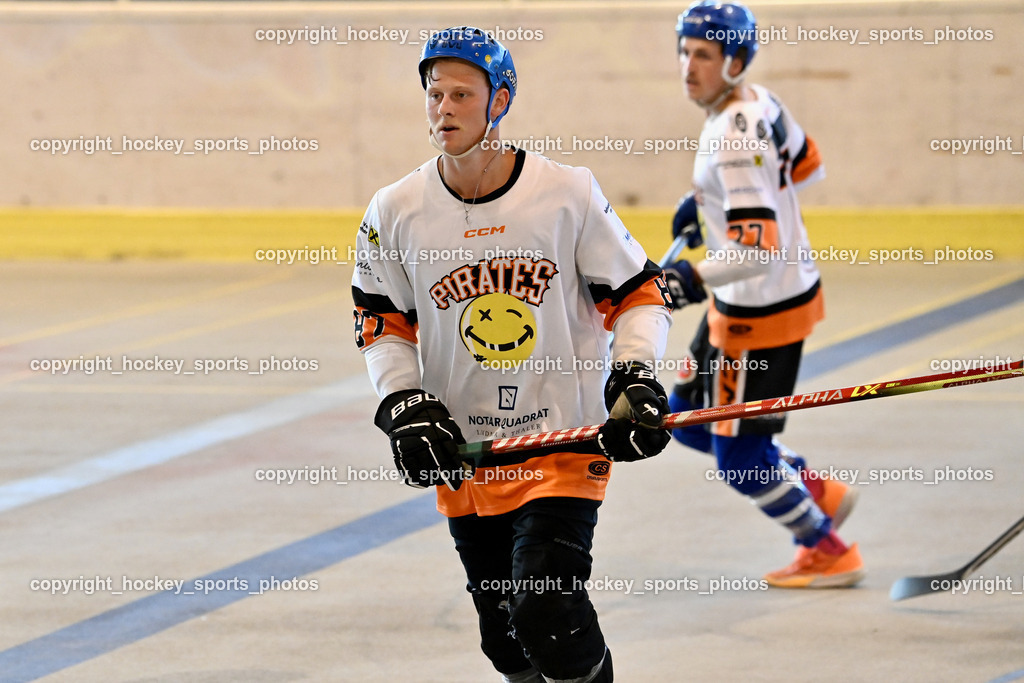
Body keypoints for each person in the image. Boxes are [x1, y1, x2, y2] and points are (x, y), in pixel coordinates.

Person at [352, 26, 674, 682]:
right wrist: (402, 401)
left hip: (560, 441)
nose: (442, 108)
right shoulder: (395, 209)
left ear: (499, 101)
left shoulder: (567, 193)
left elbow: (640, 292)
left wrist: (635, 371)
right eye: (434, 93)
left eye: (461, 94)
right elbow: (379, 320)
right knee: (506, 641)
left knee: (547, 612)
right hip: (467, 454)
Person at [662, 1, 865, 588]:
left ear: (735, 60)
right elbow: (807, 166)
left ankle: (828, 549)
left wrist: (692, 277)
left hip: (757, 316)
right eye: (683, 51)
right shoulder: (758, 101)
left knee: (742, 461)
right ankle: (818, 491)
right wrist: (712, 204)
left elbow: (757, 249)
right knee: (683, 418)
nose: (687, 66)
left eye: (703, 54)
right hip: (761, 302)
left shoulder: (731, 132)